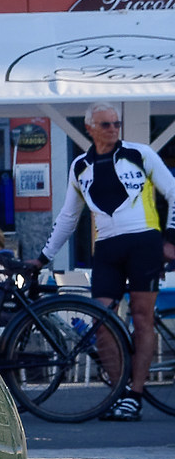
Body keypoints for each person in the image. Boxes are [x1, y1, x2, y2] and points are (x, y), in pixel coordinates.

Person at [41, 101, 175, 419]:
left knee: (142, 320)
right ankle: (117, 393)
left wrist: (170, 239)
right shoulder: (79, 166)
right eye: (106, 124)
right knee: (102, 323)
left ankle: (134, 395)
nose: (113, 128)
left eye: (116, 123)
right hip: (107, 248)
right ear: (89, 127)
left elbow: (173, 190)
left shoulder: (140, 154)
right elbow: (68, 217)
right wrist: (43, 257)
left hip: (144, 242)